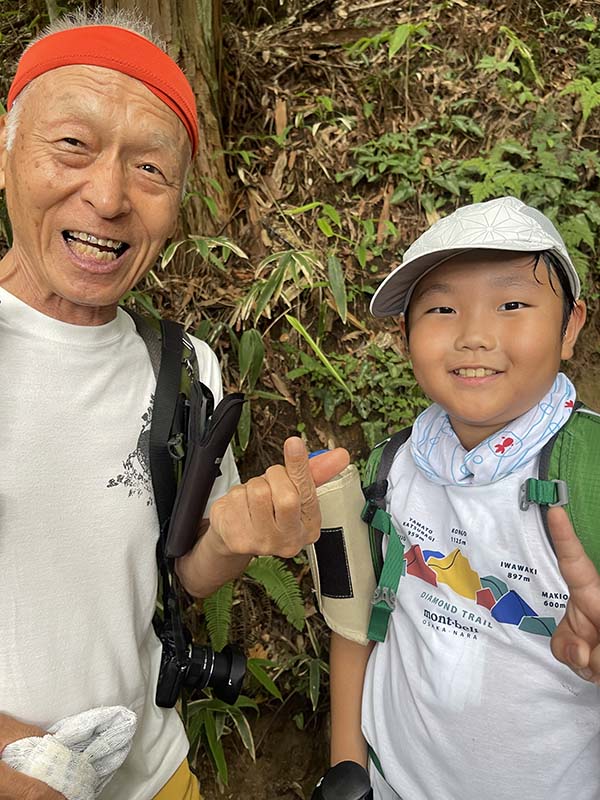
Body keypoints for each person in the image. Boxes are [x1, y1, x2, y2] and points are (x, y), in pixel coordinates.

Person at [0, 10, 349, 800]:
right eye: (73, 146)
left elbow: (176, 578)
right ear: (6, 148)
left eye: (150, 169)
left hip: (159, 776)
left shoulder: (183, 366)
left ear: (179, 199)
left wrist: (230, 537)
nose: (110, 195)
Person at [327, 195, 600, 800]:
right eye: (443, 308)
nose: (475, 335)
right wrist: (347, 767)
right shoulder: (393, 467)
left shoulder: (591, 475)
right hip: (392, 779)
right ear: (405, 337)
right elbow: (358, 619)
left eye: (511, 304)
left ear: (570, 326)